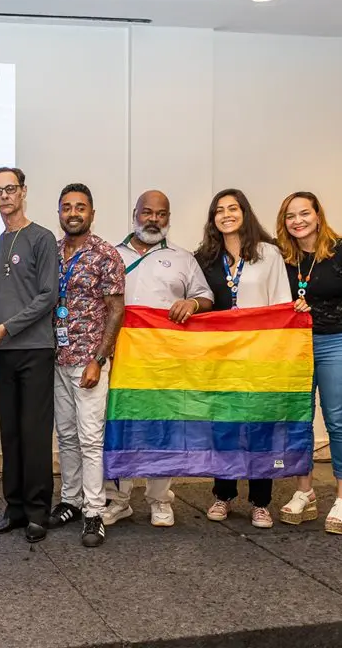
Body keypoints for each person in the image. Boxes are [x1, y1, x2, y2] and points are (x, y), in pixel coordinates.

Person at [104, 190, 214, 527]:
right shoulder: (109, 255)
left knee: (163, 426)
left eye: (161, 214)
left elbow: (206, 296)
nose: (154, 219)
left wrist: (193, 304)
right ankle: (117, 498)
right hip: (118, 356)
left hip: (165, 359)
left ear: (168, 218)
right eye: (147, 212)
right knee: (118, 424)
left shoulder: (183, 259)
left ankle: (159, 499)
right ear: (134, 213)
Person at [195, 188, 292, 529]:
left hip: (259, 354)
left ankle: (261, 502)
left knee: (259, 429)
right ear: (213, 219)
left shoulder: (268, 253)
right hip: (220, 358)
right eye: (219, 210)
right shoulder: (205, 258)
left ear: (245, 213)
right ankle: (223, 494)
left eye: (232, 208)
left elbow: (281, 302)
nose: (226, 215)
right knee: (224, 428)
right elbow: (199, 300)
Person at [275, 192, 342, 534]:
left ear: (318, 215)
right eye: (290, 215)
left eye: (304, 213)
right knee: (299, 419)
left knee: (337, 420)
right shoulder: (281, 255)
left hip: (336, 342)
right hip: (295, 346)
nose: (297, 220)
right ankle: (305, 492)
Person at [0, 167, 60, 543]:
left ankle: (37, 512)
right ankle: (13, 509)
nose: (5, 196)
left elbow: (48, 296)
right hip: (3, 351)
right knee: (9, 433)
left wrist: (8, 327)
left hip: (35, 349)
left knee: (34, 432)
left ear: (23, 192)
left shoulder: (42, 238)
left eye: (11, 189)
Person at [46, 184, 125, 548]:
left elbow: (116, 311)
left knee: (91, 439)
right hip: (57, 358)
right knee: (65, 436)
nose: (73, 213)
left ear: (92, 213)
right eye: (66, 207)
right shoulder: (52, 252)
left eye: (80, 207)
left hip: (88, 361)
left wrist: (99, 359)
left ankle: (94, 511)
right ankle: (71, 501)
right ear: (59, 213)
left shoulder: (105, 254)